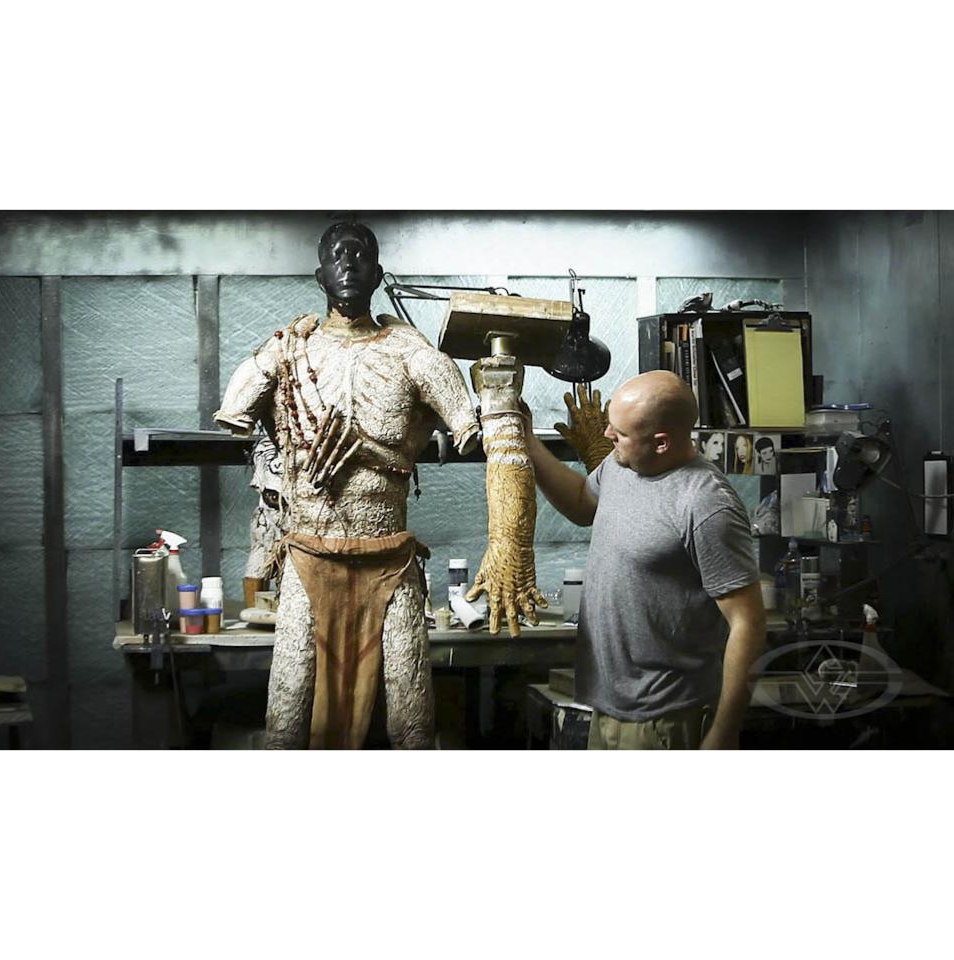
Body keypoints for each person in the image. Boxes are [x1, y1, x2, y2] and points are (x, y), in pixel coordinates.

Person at [214, 221, 543, 749]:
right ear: (320, 275)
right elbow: (236, 410)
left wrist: (495, 394)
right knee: (287, 714)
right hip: (307, 556)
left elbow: (477, 431)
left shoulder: (412, 353)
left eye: (360, 255)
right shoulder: (286, 352)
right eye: (337, 256)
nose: (348, 264)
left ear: (377, 272)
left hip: (390, 559)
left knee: (412, 718)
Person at [524, 372, 766, 749]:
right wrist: (528, 441)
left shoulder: (705, 503)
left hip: (665, 717)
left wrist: (724, 730)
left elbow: (748, 623)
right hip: (608, 707)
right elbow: (581, 502)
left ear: (661, 442)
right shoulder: (622, 465)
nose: (607, 435)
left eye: (619, 433)